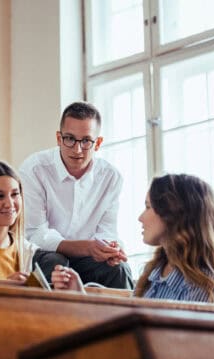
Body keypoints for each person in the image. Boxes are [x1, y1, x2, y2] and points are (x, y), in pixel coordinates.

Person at [52, 174, 214, 305]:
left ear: (173, 214)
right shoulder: (154, 273)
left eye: (148, 207)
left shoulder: (204, 289)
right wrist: (79, 294)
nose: (140, 217)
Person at [19, 101, 133, 289]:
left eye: (86, 141)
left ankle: (127, 319)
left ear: (98, 143)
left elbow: (107, 231)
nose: (77, 149)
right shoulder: (34, 169)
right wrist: (89, 247)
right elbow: (36, 234)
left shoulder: (111, 177)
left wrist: (109, 250)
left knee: (119, 269)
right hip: (44, 255)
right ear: (58, 138)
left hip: (88, 259)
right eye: (70, 139)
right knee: (56, 262)